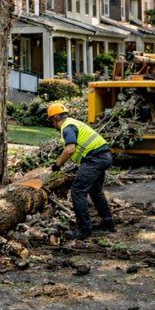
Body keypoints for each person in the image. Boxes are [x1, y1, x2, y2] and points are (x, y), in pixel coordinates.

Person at [46, 102, 115, 239]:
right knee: (95, 191)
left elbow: (69, 149)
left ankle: (84, 229)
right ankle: (108, 222)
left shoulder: (67, 127)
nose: (52, 124)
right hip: (102, 156)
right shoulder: (73, 123)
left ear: (56, 117)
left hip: (94, 159)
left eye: (51, 120)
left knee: (77, 191)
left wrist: (56, 166)